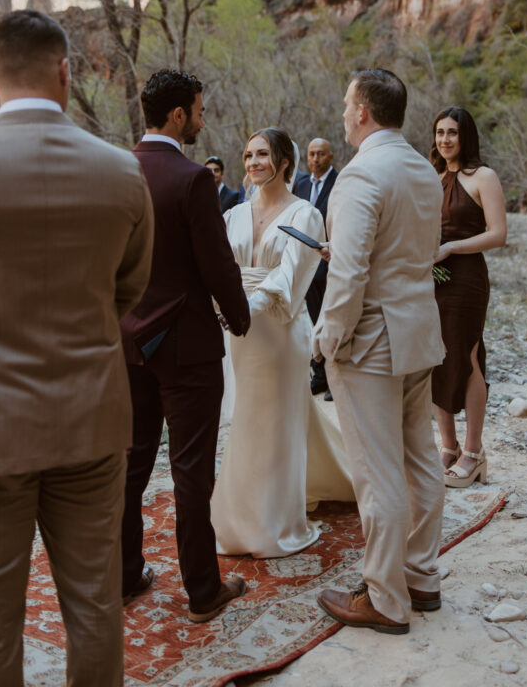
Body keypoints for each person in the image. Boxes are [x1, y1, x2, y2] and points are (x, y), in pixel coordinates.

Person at [0, 10, 154, 687]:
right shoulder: (120, 172)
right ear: (66, 72)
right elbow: (128, 290)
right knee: (96, 605)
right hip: (90, 419)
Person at [315, 69, 445, 635]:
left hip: (369, 341)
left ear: (364, 111)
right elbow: (412, 249)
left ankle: (386, 600)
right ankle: (422, 576)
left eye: (348, 104)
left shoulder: (359, 174)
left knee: (378, 475)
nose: (344, 113)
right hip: (419, 330)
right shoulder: (423, 168)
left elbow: (348, 275)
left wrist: (326, 339)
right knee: (421, 460)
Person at [120, 70, 251, 624]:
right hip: (187, 347)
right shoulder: (194, 178)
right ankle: (202, 592)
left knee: (130, 465)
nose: (202, 119)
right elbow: (216, 263)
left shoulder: (117, 170)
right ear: (177, 115)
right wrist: (240, 318)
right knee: (191, 471)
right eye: (197, 110)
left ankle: (124, 577)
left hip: (127, 343)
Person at [211, 127, 354, 557]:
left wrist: (240, 309)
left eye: (262, 154)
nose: (253, 162)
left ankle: (275, 524)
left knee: (277, 425)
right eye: (248, 155)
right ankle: (237, 518)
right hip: (238, 331)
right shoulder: (232, 215)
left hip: (277, 328)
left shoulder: (305, 215)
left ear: (284, 161)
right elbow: (218, 268)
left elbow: (289, 282)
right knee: (246, 421)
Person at [430, 106, 507, 488]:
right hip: (431, 277)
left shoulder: (483, 177)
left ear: (466, 136)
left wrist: (451, 248)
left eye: (452, 133)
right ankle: (448, 445)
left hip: (466, 278)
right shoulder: (432, 176)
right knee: (433, 356)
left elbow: (498, 234)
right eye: (440, 132)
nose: (445, 139)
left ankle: (474, 453)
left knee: (468, 354)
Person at [295, 138, 338, 397]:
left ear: (330, 157)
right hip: (306, 263)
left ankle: (335, 378)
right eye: (311, 154)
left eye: (321, 154)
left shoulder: (340, 183)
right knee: (311, 320)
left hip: (331, 261)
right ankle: (319, 374)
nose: (315, 159)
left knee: (330, 321)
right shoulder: (300, 184)